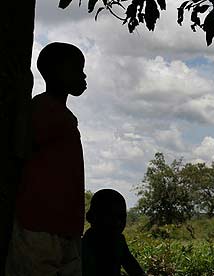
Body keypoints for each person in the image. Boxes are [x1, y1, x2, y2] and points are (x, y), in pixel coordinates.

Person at [6, 42, 87, 276]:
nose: (83, 75)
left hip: (64, 228)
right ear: (53, 71)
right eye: (76, 68)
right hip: (39, 225)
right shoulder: (42, 109)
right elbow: (21, 148)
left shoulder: (61, 115)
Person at [82, 189, 146, 276]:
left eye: (121, 217)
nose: (118, 222)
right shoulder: (85, 244)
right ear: (91, 217)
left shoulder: (119, 241)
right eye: (110, 216)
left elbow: (134, 269)